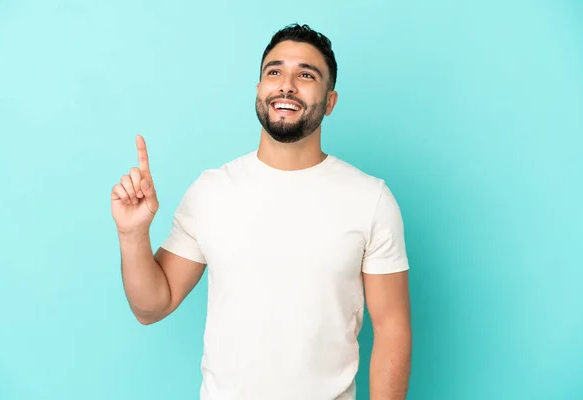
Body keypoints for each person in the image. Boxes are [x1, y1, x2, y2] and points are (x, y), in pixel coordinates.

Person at [111, 23, 412, 400]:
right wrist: (132, 234)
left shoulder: (371, 199)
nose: (286, 85)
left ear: (330, 101)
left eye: (305, 74)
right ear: (259, 91)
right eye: (275, 71)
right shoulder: (212, 191)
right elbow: (151, 307)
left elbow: (392, 329)